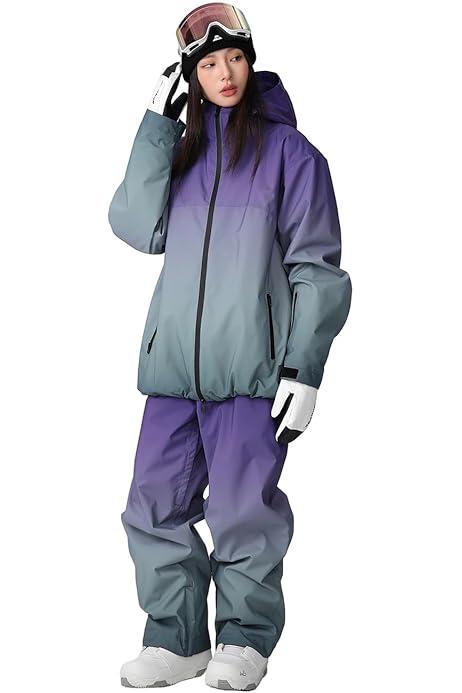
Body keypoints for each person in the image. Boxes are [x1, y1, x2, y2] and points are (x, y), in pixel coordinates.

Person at [108, 2, 352, 689]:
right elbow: (135, 226)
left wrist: (305, 368)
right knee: (152, 505)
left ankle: (242, 640)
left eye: (235, 58)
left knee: (243, 514)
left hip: (251, 371)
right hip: (172, 373)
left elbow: (316, 267)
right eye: (209, 63)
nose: (225, 73)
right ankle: (176, 639)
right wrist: (155, 125)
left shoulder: (292, 155)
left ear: (250, 61)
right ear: (191, 75)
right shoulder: (179, 152)